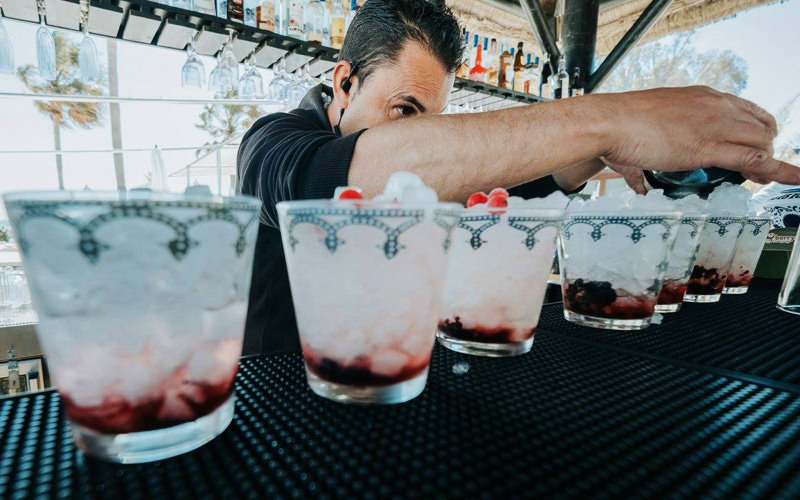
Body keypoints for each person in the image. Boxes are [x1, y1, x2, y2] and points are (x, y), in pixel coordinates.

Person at [237, 0, 799, 355]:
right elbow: (326, 184)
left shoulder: (420, 164)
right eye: (405, 112)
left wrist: (600, 151)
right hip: (281, 394)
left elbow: (518, 188)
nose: (421, 139)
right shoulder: (274, 141)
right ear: (344, 83)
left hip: (399, 379)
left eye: (434, 123)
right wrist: (607, 118)